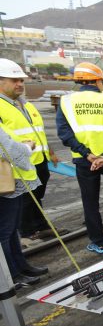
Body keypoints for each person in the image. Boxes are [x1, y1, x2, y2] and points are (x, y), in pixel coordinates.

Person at [56, 62, 103, 254]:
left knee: (90, 202)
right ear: (97, 80)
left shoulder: (66, 102)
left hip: (85, 161)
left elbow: (65, 133)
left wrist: (87, 154)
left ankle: (99, 242)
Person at [0, 59, 62, 242]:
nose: (20, 84)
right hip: (18, 164)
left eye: (21, 80)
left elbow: (38, 131)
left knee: (37, 196)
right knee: (25, 201)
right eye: (15, 80)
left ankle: (41, 226)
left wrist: (50, 152)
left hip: (38, 160)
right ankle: (27, 232)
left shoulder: (26, 105)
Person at [0, 98, 47, 288]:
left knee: (12, 230)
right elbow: (7, 148)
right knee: (5, 231)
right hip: (5, 181)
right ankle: (11, 275)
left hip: (13, 178)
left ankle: (20, 266)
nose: (20, 84)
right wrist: (27, 147)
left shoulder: (21, 104)